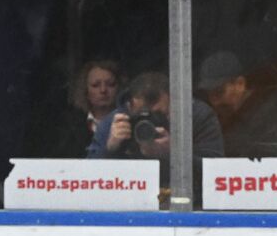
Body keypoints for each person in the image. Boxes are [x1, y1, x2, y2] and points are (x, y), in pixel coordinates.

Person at [87, 72, 225, 193]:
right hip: (130, 201)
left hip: (186, 202)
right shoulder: (115, 122)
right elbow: (87, 181)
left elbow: (217, 175)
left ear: (174, 103)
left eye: (159, 115)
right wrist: (110, 149)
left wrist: (174, 154)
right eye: (141, 116)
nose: (151, 123)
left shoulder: (196, 116)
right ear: (129, 106)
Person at [196, 51, 277, 158]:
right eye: (209, 95)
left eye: (219, 92)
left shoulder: (274, 111)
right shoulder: (220, 118)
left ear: (240, 84)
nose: (215, 102)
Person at [38, 60, 123, 158]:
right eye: (95, 85)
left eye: (110, 84)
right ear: (85, 90)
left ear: (119, 88)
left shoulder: (129, 122)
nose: (103, 90)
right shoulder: (68, 127)